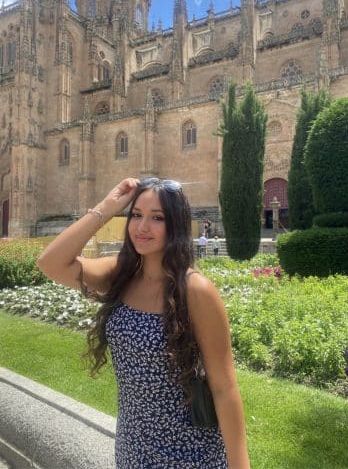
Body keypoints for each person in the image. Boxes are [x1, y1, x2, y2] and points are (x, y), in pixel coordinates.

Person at [37, 177, 250, 469]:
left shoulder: (195, 290)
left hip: (190, 452)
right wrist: (107, 207)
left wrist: (240, 466)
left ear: (175, 224)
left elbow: (224, 388)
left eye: (157, 218)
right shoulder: (120, 274)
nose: (142, 227)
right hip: (132, 446)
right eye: (136, 215)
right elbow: (50, 263)